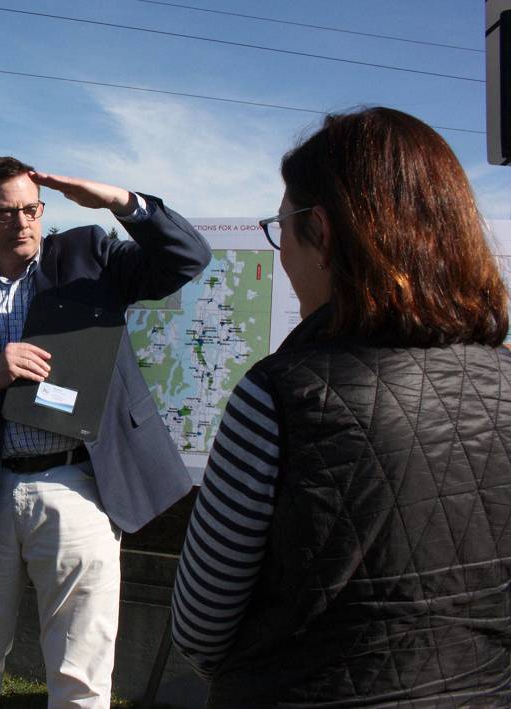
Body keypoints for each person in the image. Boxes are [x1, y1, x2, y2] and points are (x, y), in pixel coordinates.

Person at [170, 107, 511, 707]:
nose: (281, 254)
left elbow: (200, 624)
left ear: (321, 233)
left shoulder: (279, 394)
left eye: (282, 230)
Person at [0, 156, 211, 707]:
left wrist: (118, 200)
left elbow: (188, 256)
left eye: (31, 209)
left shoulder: (89, 257)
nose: (21, 223)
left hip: (79, 486)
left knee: (81, 672)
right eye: (3, 213)